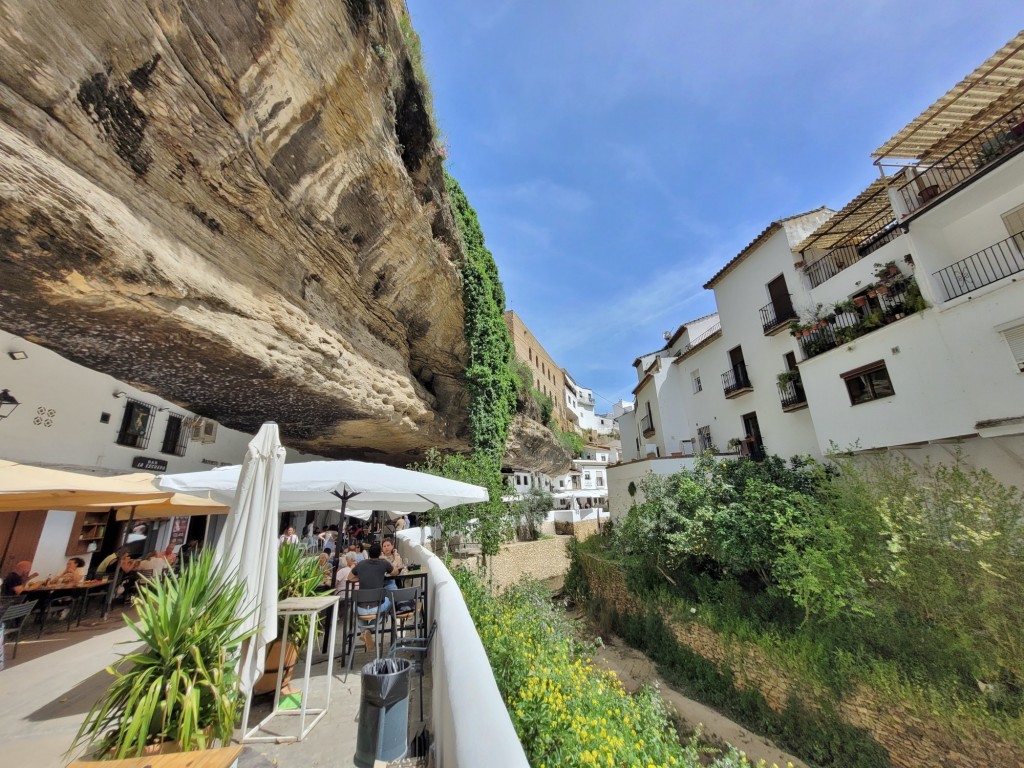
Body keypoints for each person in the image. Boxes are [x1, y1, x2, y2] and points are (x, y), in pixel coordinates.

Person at [348, 544, 394, 652]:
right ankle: (371, 630)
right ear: (379, 553)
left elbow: (350, 577)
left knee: (356, 608)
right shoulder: (384, 563)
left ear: (368, 554)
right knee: (390, 599)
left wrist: (362, 578)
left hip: (360, 608)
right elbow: (395, 572)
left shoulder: (361, 564)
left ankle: (365, 631)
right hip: (376, 608)